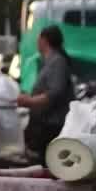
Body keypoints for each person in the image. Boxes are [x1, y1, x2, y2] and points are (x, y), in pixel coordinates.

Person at [17, 25, 74, 158]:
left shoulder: (57, 62)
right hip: (44, 122)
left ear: (44, 40)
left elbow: (55, 92)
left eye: (38, 38)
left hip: (53, 123)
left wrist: (30, 101)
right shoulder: (49, 61)